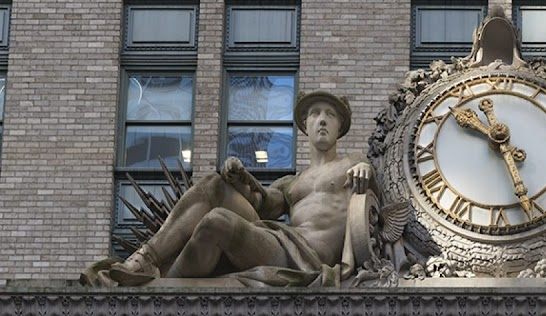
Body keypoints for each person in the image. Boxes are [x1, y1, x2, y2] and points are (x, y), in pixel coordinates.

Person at [102, 89, 375, 287]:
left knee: (216, 222)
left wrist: (367, 171)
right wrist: (239, 177)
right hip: (280, 239)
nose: (322, 120)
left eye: (330, 114)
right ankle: (146, 259)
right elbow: (263, 204)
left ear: (341, 127)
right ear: (305, 125)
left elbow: (377, 197)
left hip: (307, 258)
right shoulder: (292, 181)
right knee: (212, 184)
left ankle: (162, 286)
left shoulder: (354, 163)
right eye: (315, 114)